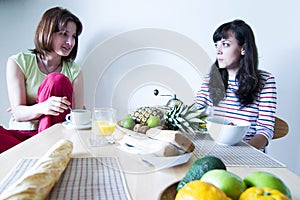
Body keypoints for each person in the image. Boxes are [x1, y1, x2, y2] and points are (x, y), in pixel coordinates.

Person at [0, 7, 84, 153]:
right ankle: (37, 154)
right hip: (21, 135)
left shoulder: (74, 71)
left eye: (74, 36)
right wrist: (43, 107)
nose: (70, 42)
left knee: (57, 81)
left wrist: (30, 110)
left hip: (54, 137)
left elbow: (76, 117)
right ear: (47, 32)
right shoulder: (18, 62)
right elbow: (19, 114)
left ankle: (39, 153)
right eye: (64, 34)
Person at [195, 19, 277, 152]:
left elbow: (265, 130)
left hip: (248, 155)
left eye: (225, 44)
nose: (218, 51)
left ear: (243, 48)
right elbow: (196, 113)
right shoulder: (210, 79)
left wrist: (242, 152)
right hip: (212, 150)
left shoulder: (266, 81)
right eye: (217, 45)